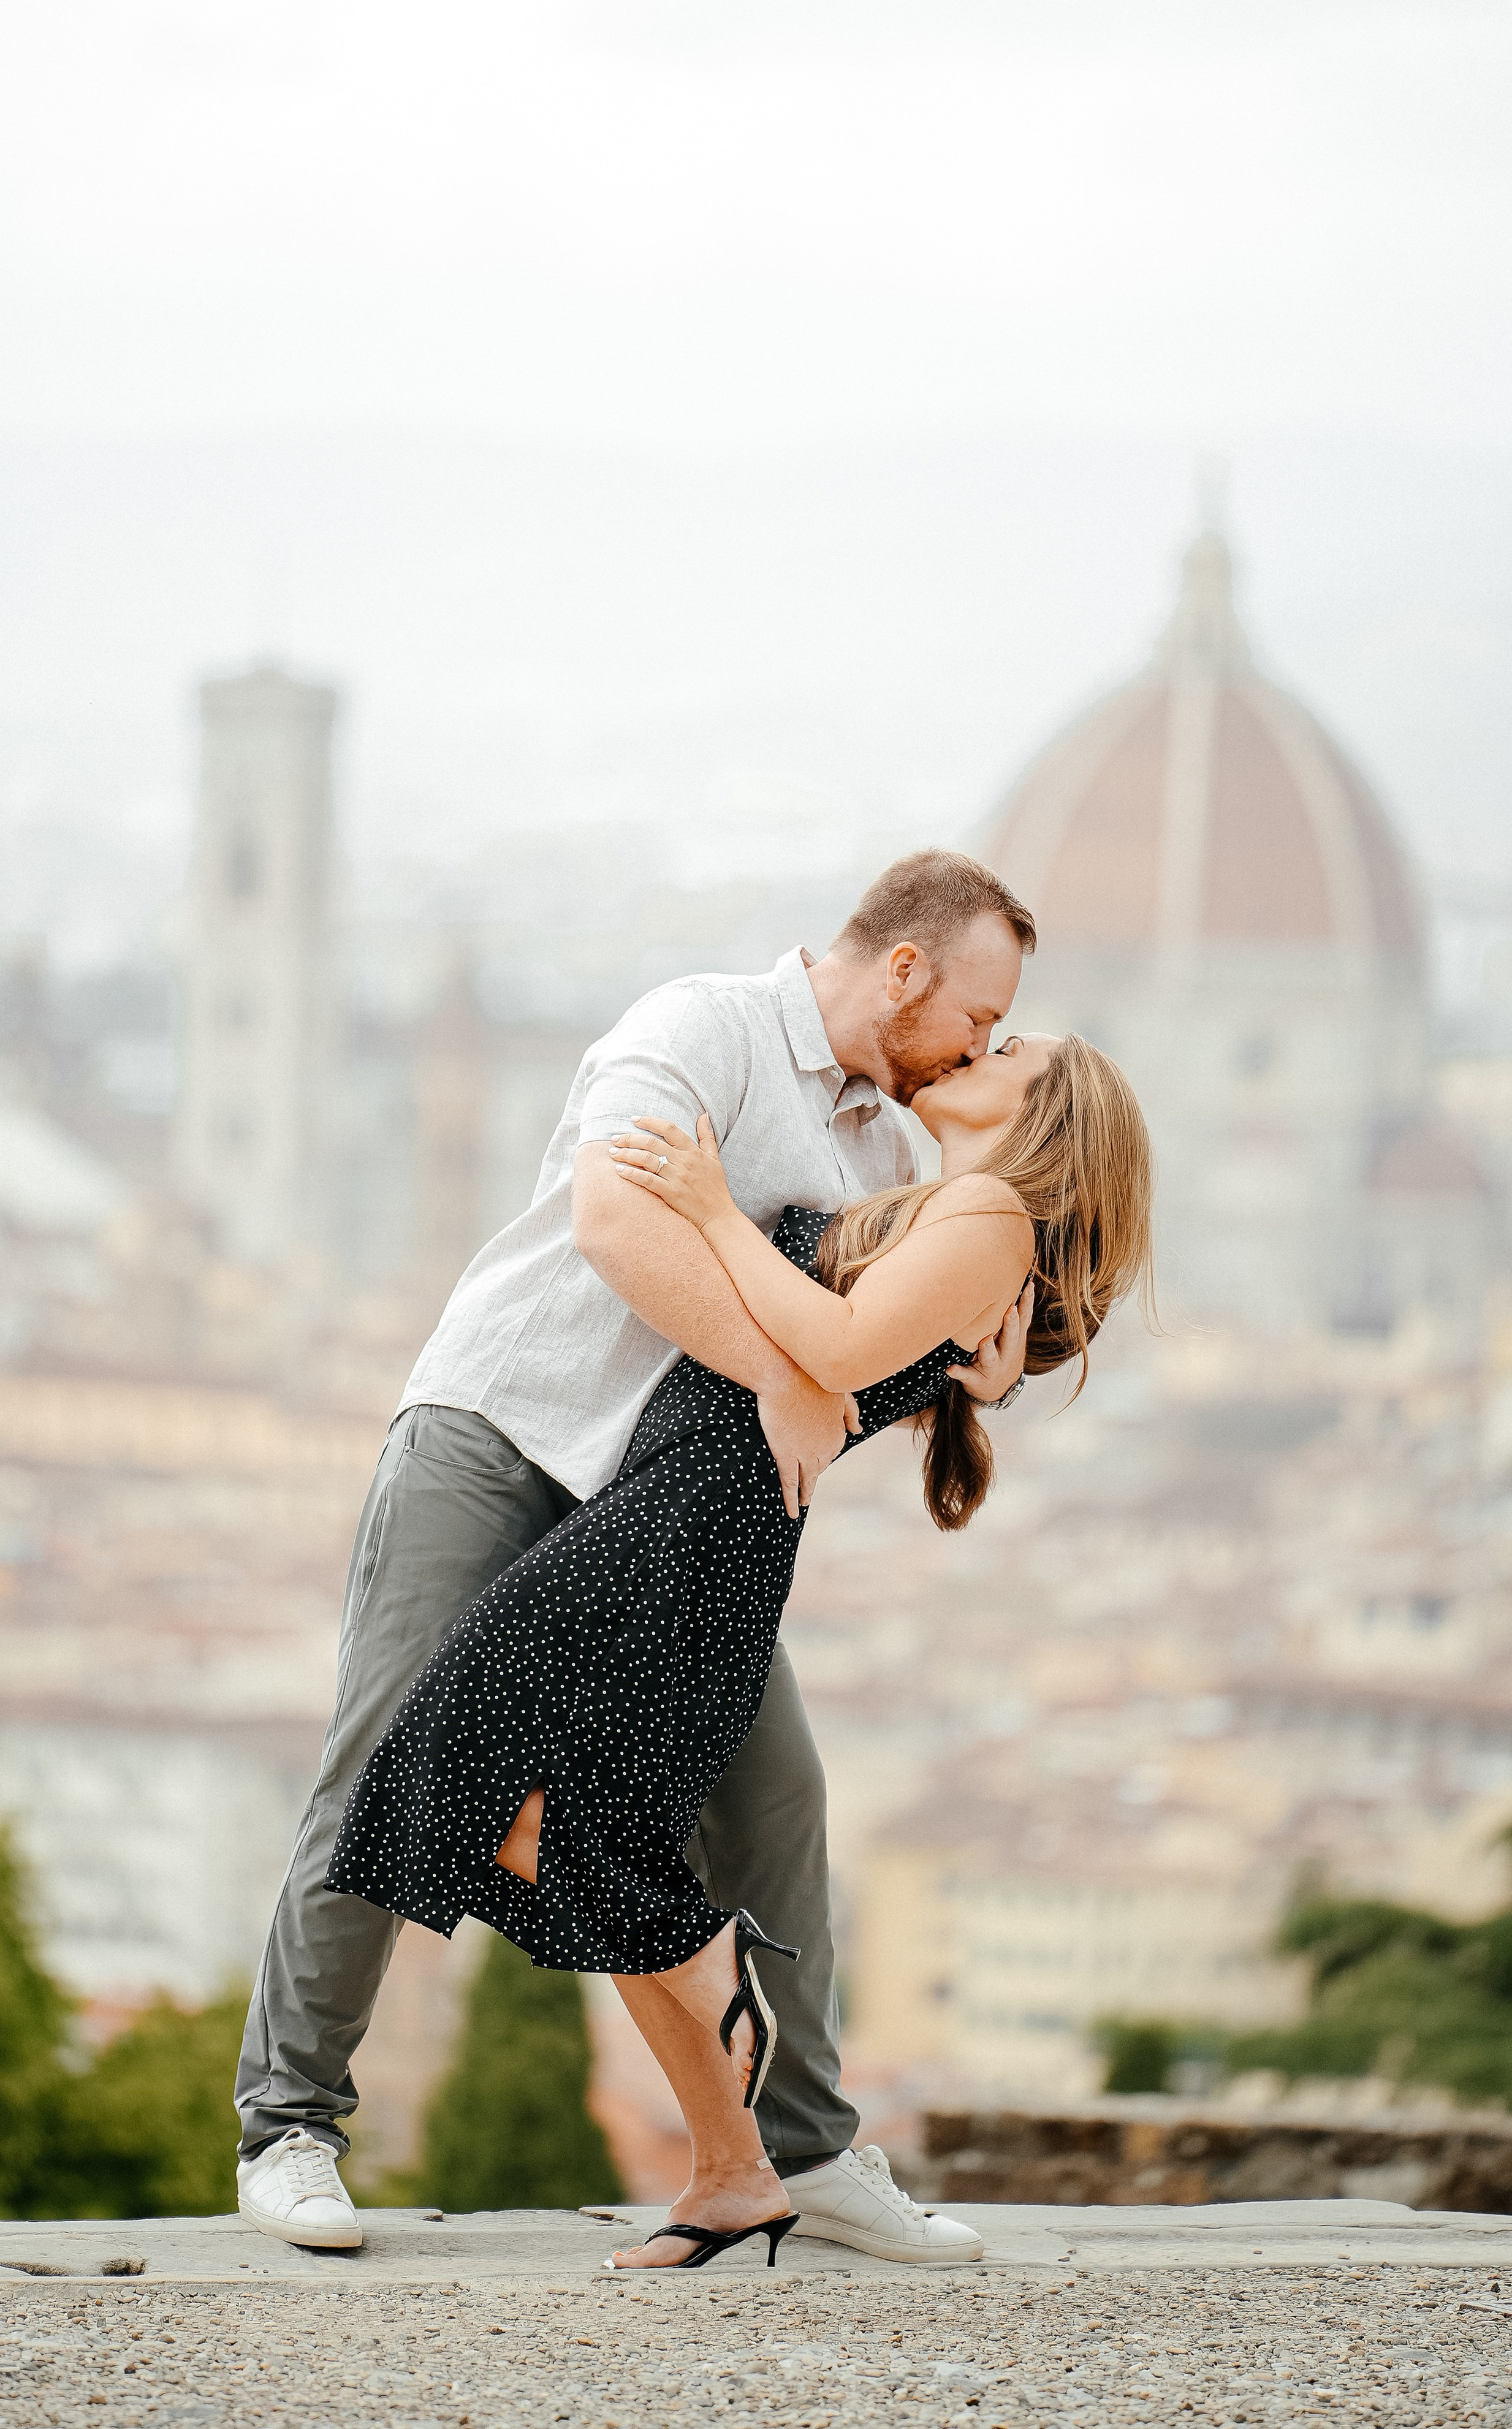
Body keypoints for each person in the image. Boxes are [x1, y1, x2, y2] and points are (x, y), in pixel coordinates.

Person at [235, 849, 1034, 2264]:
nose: (978, 1044)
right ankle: (288, 2124)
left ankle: (807, 2152)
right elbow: (614, 1223)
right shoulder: (700, 1027)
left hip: (653, 1517)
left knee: (775, 1794)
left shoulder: (885, 1156)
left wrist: (967, 1364)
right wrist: (788, 1376)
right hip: (502, 1430)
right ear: (903, 968)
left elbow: (861, 1346)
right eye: (976, 1013)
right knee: (390, 1748)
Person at [325, 1025, 1154, 2271]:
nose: (987, 1042)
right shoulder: (955, 1220)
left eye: (1015, 1046)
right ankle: (731, 2171)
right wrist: (967, 1375)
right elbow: (883, 1349)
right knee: (563, 1826)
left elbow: (834, 1354)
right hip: (694, 1525)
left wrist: (714, 1211)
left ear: (1051, 1110)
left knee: (454, 1759)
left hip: (687, 1528)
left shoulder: (988, 1214)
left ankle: (708, 1967)